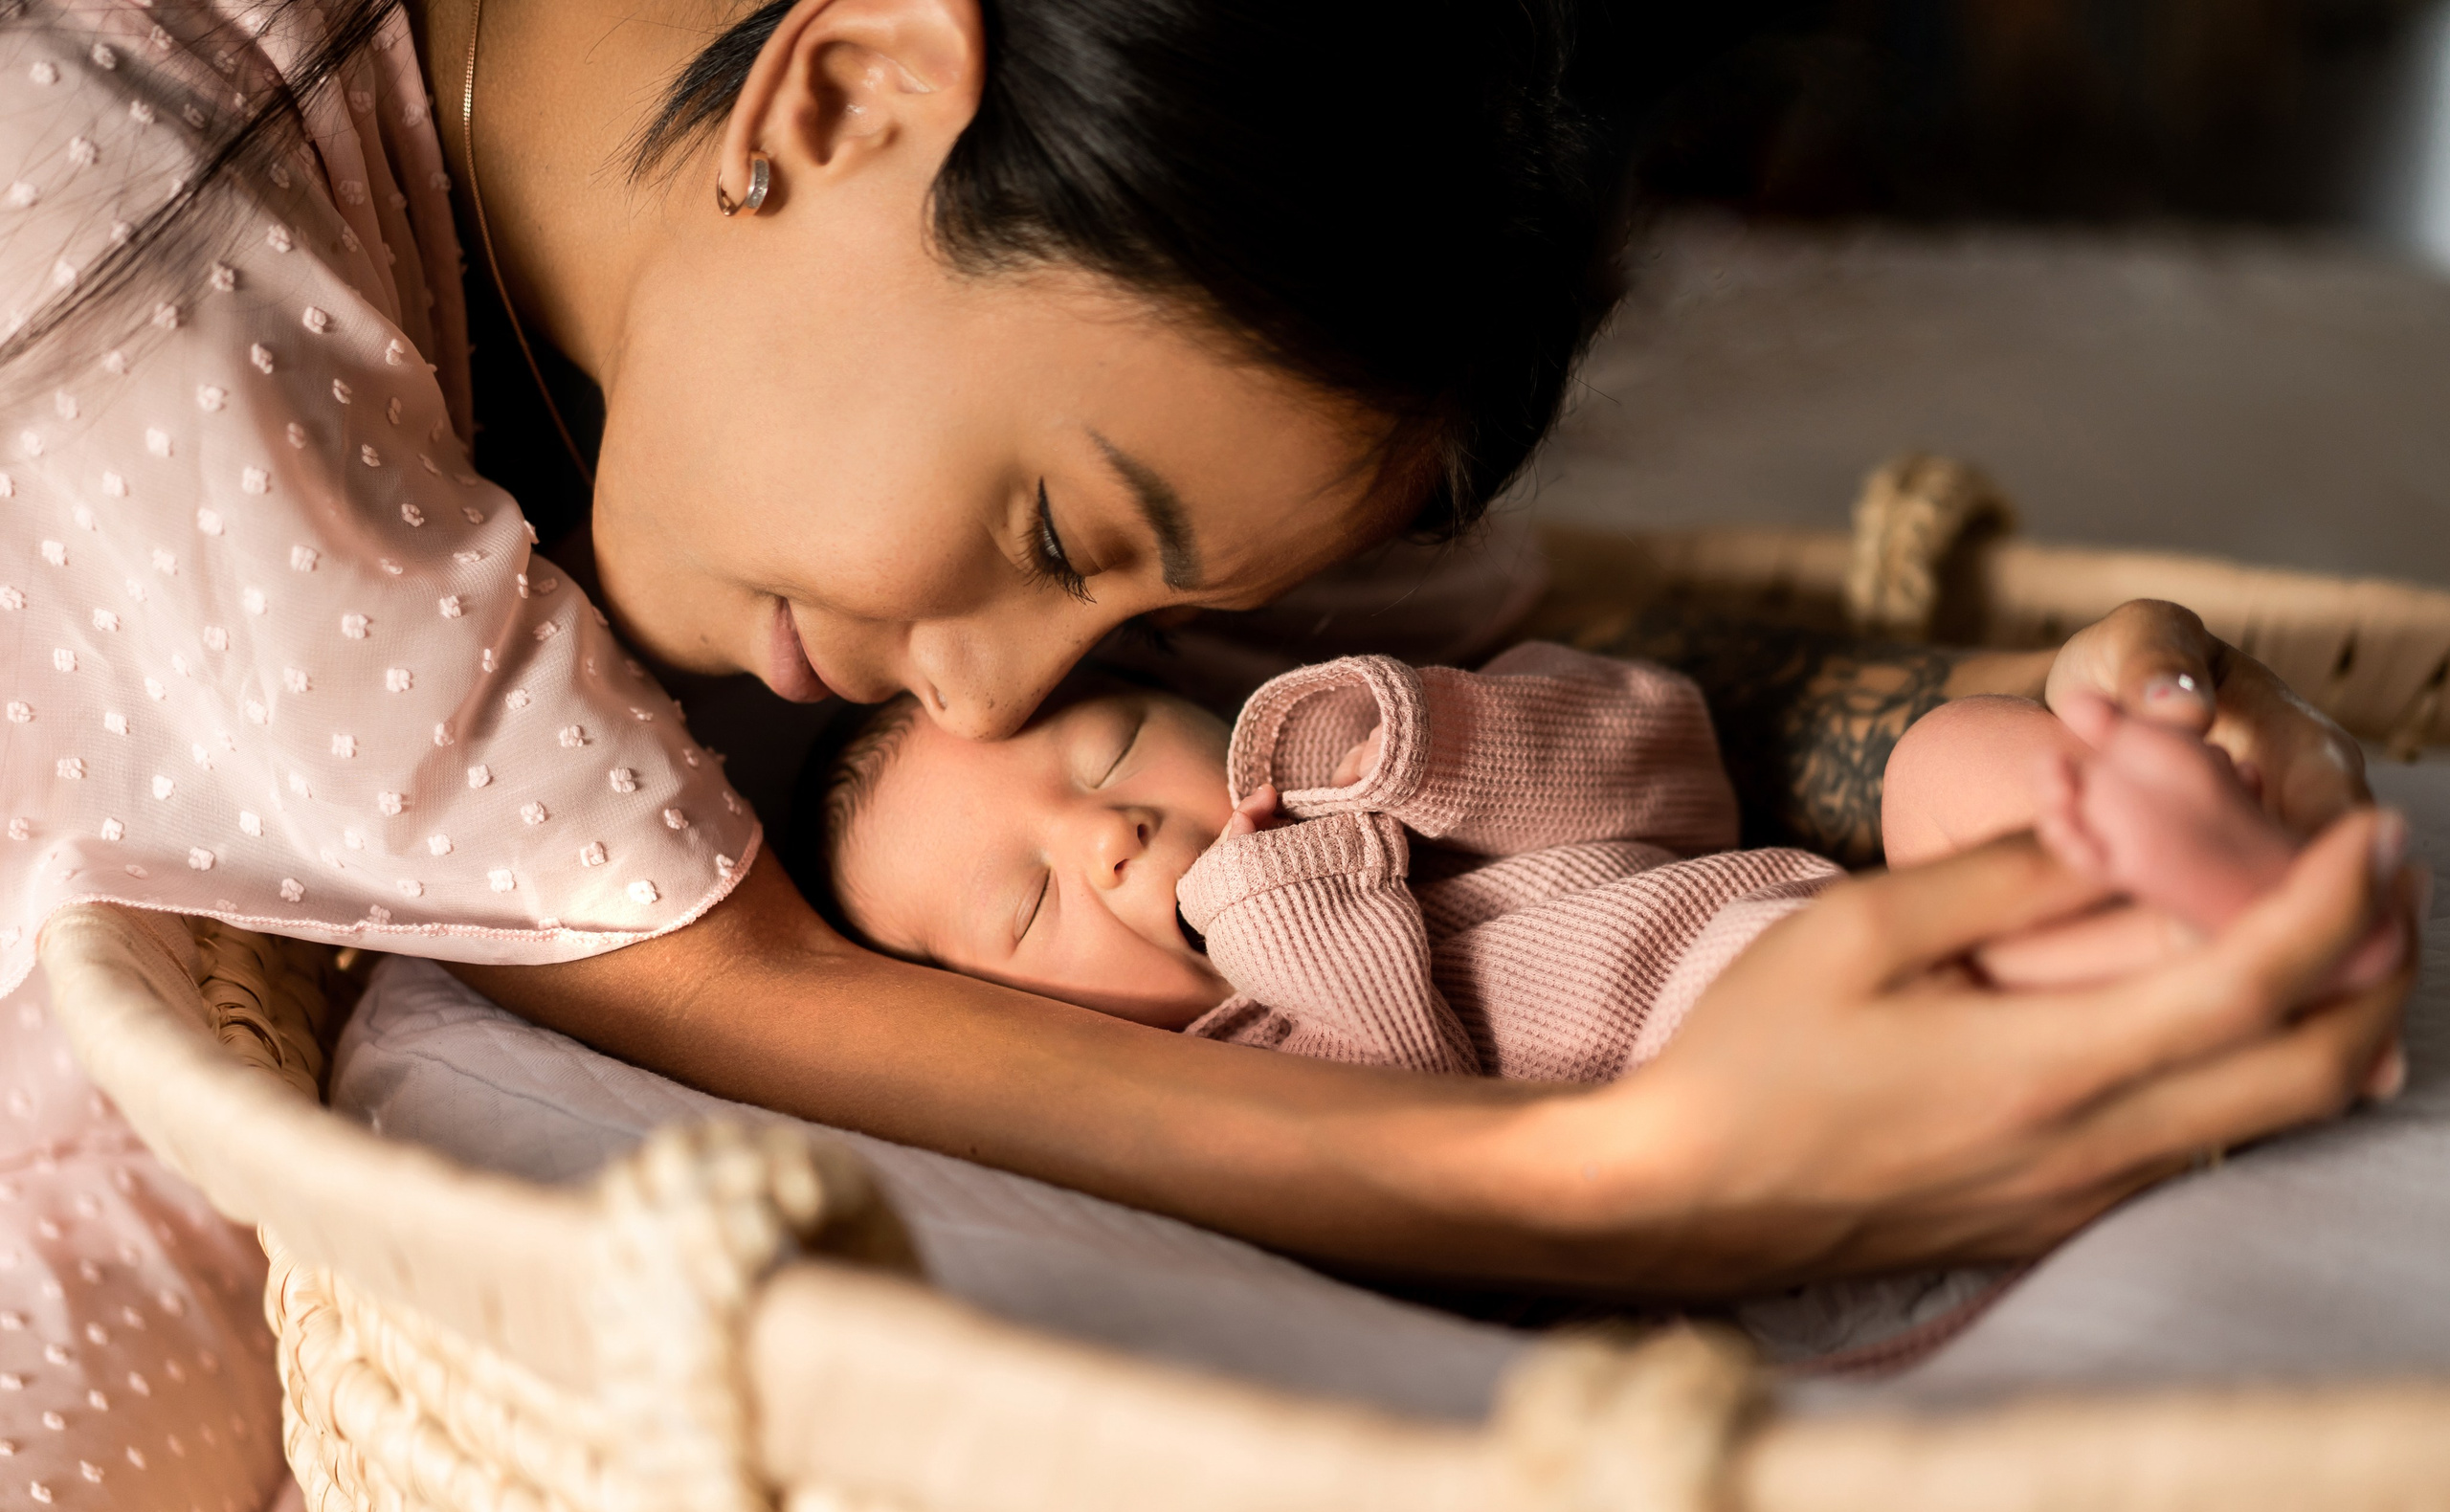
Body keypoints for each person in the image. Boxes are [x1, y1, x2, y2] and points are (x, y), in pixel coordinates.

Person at [0, 0, 2408, 1321]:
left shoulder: (861, 407)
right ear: (840, 89)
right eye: (1053, 530)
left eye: (1114, 604)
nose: (978, 699)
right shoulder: (114, 209)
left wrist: (2128, 711)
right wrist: (1641, 1179)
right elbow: (737, 987)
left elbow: (1584, 683)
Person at [802, 639, 2391, 1083]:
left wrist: (1408, 738)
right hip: (1799, 1067)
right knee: (2001, 988)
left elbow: (1677, 775)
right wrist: (1275, 913)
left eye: (1108, 747)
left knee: (1943, 763)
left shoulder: (1401, 766)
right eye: (1031, 902)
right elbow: (1406, 1101)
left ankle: (2193, 859)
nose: (1109, 832)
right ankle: (2230, 944)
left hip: (1859, 910)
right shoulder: (1242, 1071)